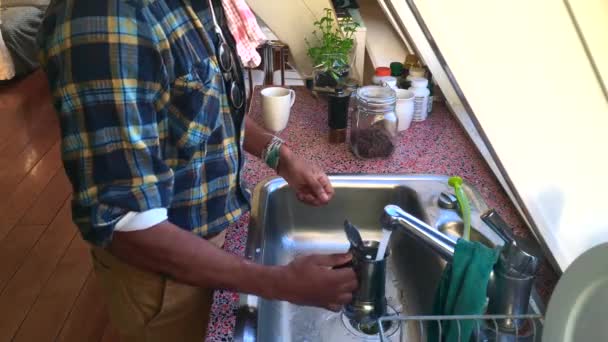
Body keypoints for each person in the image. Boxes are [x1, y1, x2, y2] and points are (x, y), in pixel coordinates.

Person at [38, 0, 357, 341]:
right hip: (162, 285)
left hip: (208, 249)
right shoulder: (107, 18)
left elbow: (204, 100)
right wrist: (281, 282)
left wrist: (279, 154)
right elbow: (126, 221)